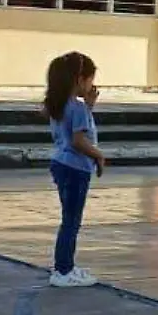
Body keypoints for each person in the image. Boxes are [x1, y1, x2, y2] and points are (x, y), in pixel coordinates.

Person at [43, 52, 105, 289]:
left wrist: (88, 106)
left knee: (68, 219)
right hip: (75, 167)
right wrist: (98, 155)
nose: (91, 85)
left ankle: (64, 265)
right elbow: (78, 141)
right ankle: (63, 269)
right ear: (79, 79)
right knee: (71, 221)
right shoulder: (76, 108)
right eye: (90, 80)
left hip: (60, 163)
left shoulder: (57, 105)